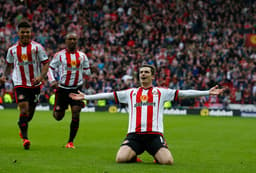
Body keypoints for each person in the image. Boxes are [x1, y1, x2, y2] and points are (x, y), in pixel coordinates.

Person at [69, 64, 226, 164]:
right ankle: (134, 155)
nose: (143, 74)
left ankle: (157, 154)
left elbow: (184, 93)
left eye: (146, 72)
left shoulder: (161, 92)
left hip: (154, 135)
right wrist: (86, 97)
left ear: (152, 76)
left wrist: (207, 92)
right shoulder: (130, 93)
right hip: (134, 135)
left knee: (168, 162)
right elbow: (108, 95)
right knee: (120, 159)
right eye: (141, 72)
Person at [0, 20, 49, 149]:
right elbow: (8, 65)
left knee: (30, 114)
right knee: (23, 108)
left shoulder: (37, 48)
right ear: (18, 33)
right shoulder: (12, 50)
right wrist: (4, 75)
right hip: (20, 83)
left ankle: (21, 124)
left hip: (35, 84)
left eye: (27, 32)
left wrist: (41, 77)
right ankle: (25, 139)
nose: (25, 34)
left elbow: (46, 64)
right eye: (23, 32)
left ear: (30, 32)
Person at [47, 32, 91, 149]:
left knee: (76, 112)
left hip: (76, 89)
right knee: (58, 117)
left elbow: (87, 72)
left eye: (74, 39)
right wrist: (52, 81)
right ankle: (58, 109)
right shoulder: (59, 55)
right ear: (66, 41)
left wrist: (86, 74)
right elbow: (50, 68)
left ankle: (70, 142)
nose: (72, 41)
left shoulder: (82, 56)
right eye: (70, 39)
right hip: (62, 89)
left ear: (77, 41)